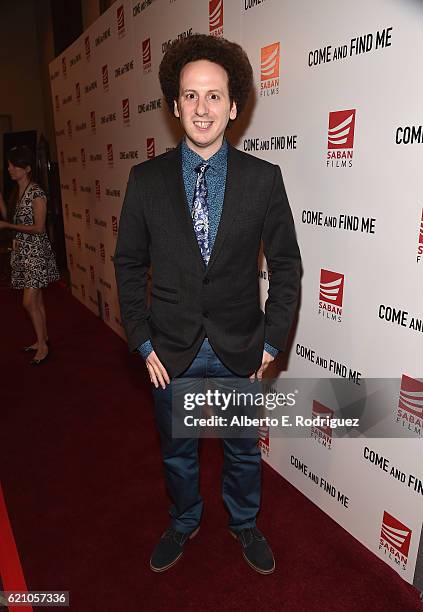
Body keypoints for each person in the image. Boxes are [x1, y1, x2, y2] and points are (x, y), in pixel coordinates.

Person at [114, 34, 301, 574]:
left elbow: (287, 266)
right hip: (169, 348)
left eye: (214, 96)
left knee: (243, 449)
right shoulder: (144, 181)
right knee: (178, 451)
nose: (202, 108)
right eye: (190, 96)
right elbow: (128, 264)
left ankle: (244, 523)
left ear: (234, 105)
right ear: (175, 106)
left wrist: (272, 338)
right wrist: (141, 337)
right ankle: (184, 519)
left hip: (240, 344)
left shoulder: (264, 180)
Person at [0, 145, 59, 365]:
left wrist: (7, 225)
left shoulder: (36, 192)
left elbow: (39, 228)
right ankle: (42, 340)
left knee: (28, 302)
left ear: (26, 168)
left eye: (13, 165)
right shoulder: (18, 192)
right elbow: (13, 221)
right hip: (23, 253)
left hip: (35, 253)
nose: (9, 169)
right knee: (37, 302)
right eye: (8, 165)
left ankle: (43, 347)